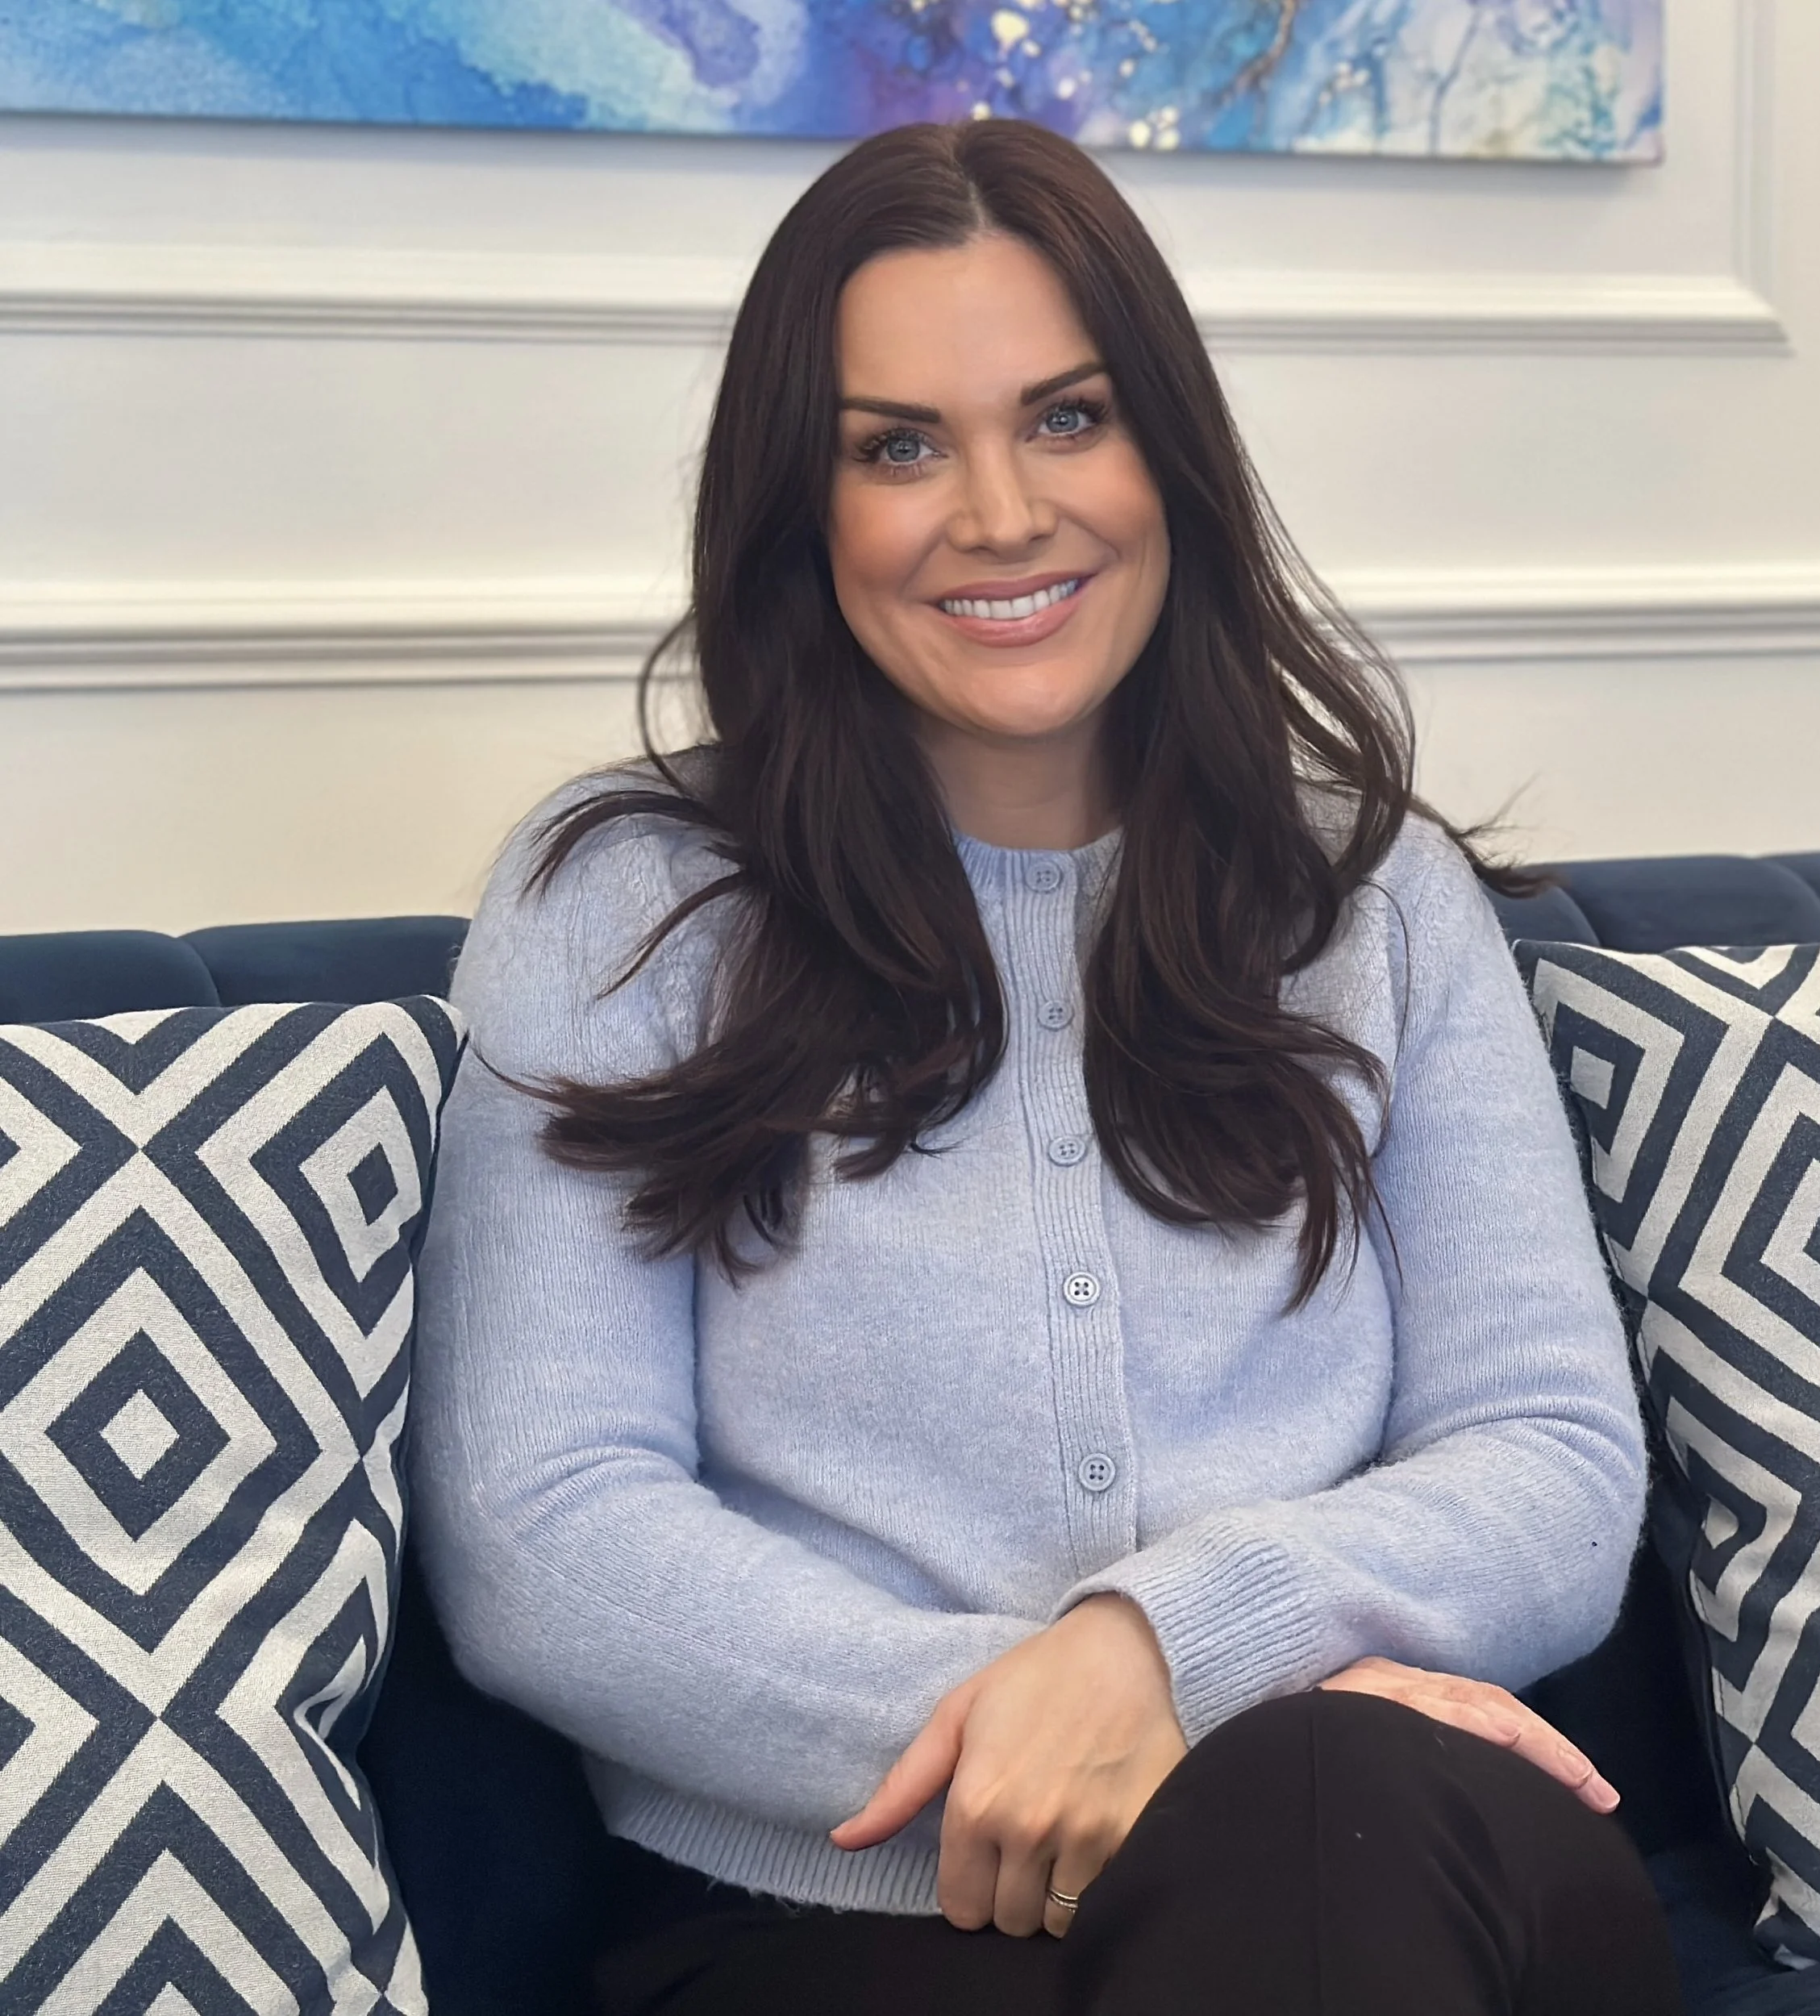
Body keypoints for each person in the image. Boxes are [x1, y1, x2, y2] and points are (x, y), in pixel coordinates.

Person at [410, 119, 1686, 2015]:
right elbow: (543, 1528)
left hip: (1396, 1836)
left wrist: (1168, 1651)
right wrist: (1068, 1735)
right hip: (831, 1910)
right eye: (897, 444)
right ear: (799, 504)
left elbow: (1555, 1463)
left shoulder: (1377, 899)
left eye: (1067, 417)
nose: (999, 513)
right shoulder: (620, 906)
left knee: (1324, 1809)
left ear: (1168, 448)